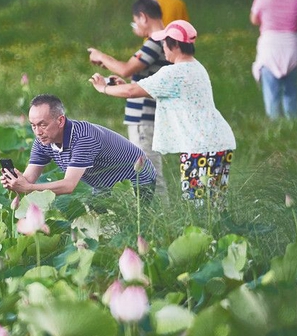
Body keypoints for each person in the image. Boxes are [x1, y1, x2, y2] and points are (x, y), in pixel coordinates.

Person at [89, 20, 236, 209]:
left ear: (174, 45)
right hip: (218, 143)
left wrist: (103, 89)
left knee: (198, 206)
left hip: (200, 147)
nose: (163, 48)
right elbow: (149, 90)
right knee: (214, 205)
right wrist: (123, 85)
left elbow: (132, 91)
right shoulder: (196, 67)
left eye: (164, 44)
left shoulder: (174, 72)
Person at [87, 0, 170, 200]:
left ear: (143, 17)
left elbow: (126, 68)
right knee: (149, 171)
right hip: (147, 116)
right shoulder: (166, 41)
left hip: (144, 119)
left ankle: (161, 221)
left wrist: (101, 56)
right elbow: (145, 80)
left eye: (135, 21)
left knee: (150, 173)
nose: (135, 27)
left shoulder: (155, 41)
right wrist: (125, 85)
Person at [0, 94, 156, 200]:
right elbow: (28, 180)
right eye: (33, 125)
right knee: (97, 231)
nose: (38, 132)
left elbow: (68, 185)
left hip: (136, 180)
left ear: (60, 121)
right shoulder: (42, 141)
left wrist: (28, 188)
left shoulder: (83, 137)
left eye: (42, 125)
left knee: (132, 231)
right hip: (103, 186)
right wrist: (15, 182)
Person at [250, 0, 297, 120]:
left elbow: (254, 19)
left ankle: (275, 127)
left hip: (269, 47)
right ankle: (292, 124)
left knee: (271, 92)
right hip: (290, 46)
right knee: (290, 91)